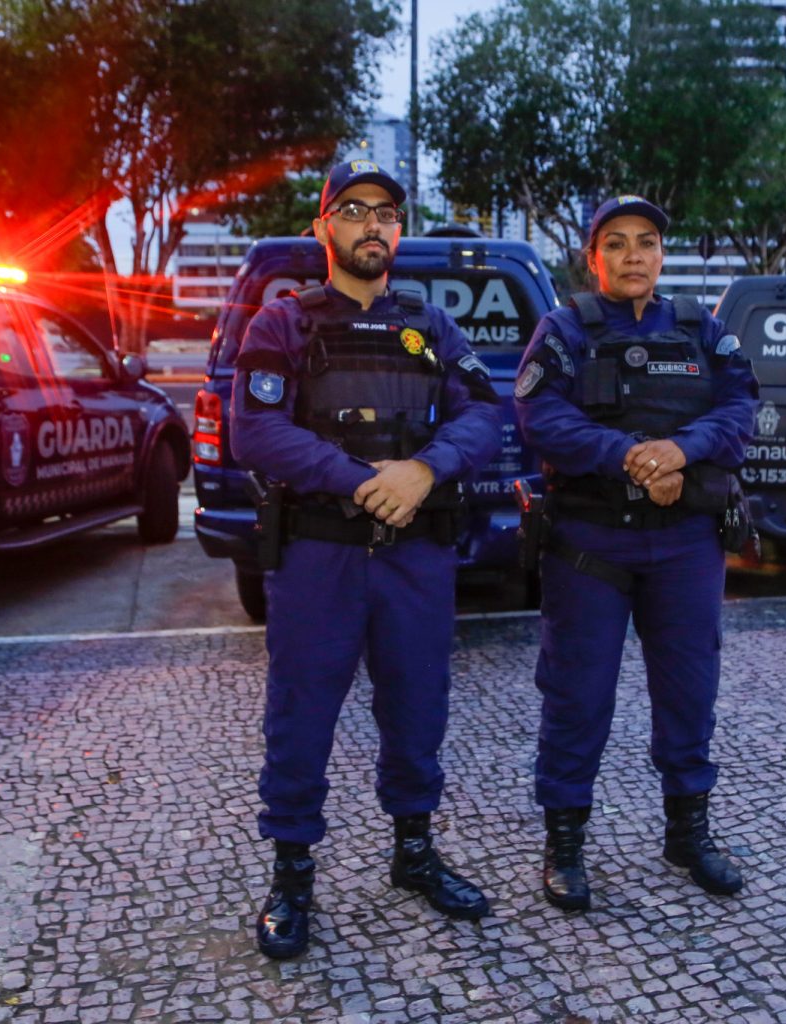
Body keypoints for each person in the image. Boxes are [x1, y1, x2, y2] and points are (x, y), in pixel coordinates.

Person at [229, 159, 503, 959]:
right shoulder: (282, 324)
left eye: (386, 213)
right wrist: (361, 482)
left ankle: (414, 854)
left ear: (399, 230)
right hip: (321, 553)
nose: (372, 225)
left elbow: (484, 415)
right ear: (325, 227)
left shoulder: (432, 327)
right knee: (301, 715)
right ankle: (292, 875)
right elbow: (258, 431)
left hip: (415, 556)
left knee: (419, 708)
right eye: (354, 210)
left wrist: (425, 470)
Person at [513, 195, 760, 910]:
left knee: (689, 693)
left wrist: (682, 450)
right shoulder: (563, 332)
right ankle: (565, 844)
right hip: (590, 546)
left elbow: (741, 408)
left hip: (685, 543)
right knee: (576, 696)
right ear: (594, 258)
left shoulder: (700, 329)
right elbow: (539, 416)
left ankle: (688, 835)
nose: (632, 256)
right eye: (615, 243)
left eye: (645, 242)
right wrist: (629, 457)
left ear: (661, 254)